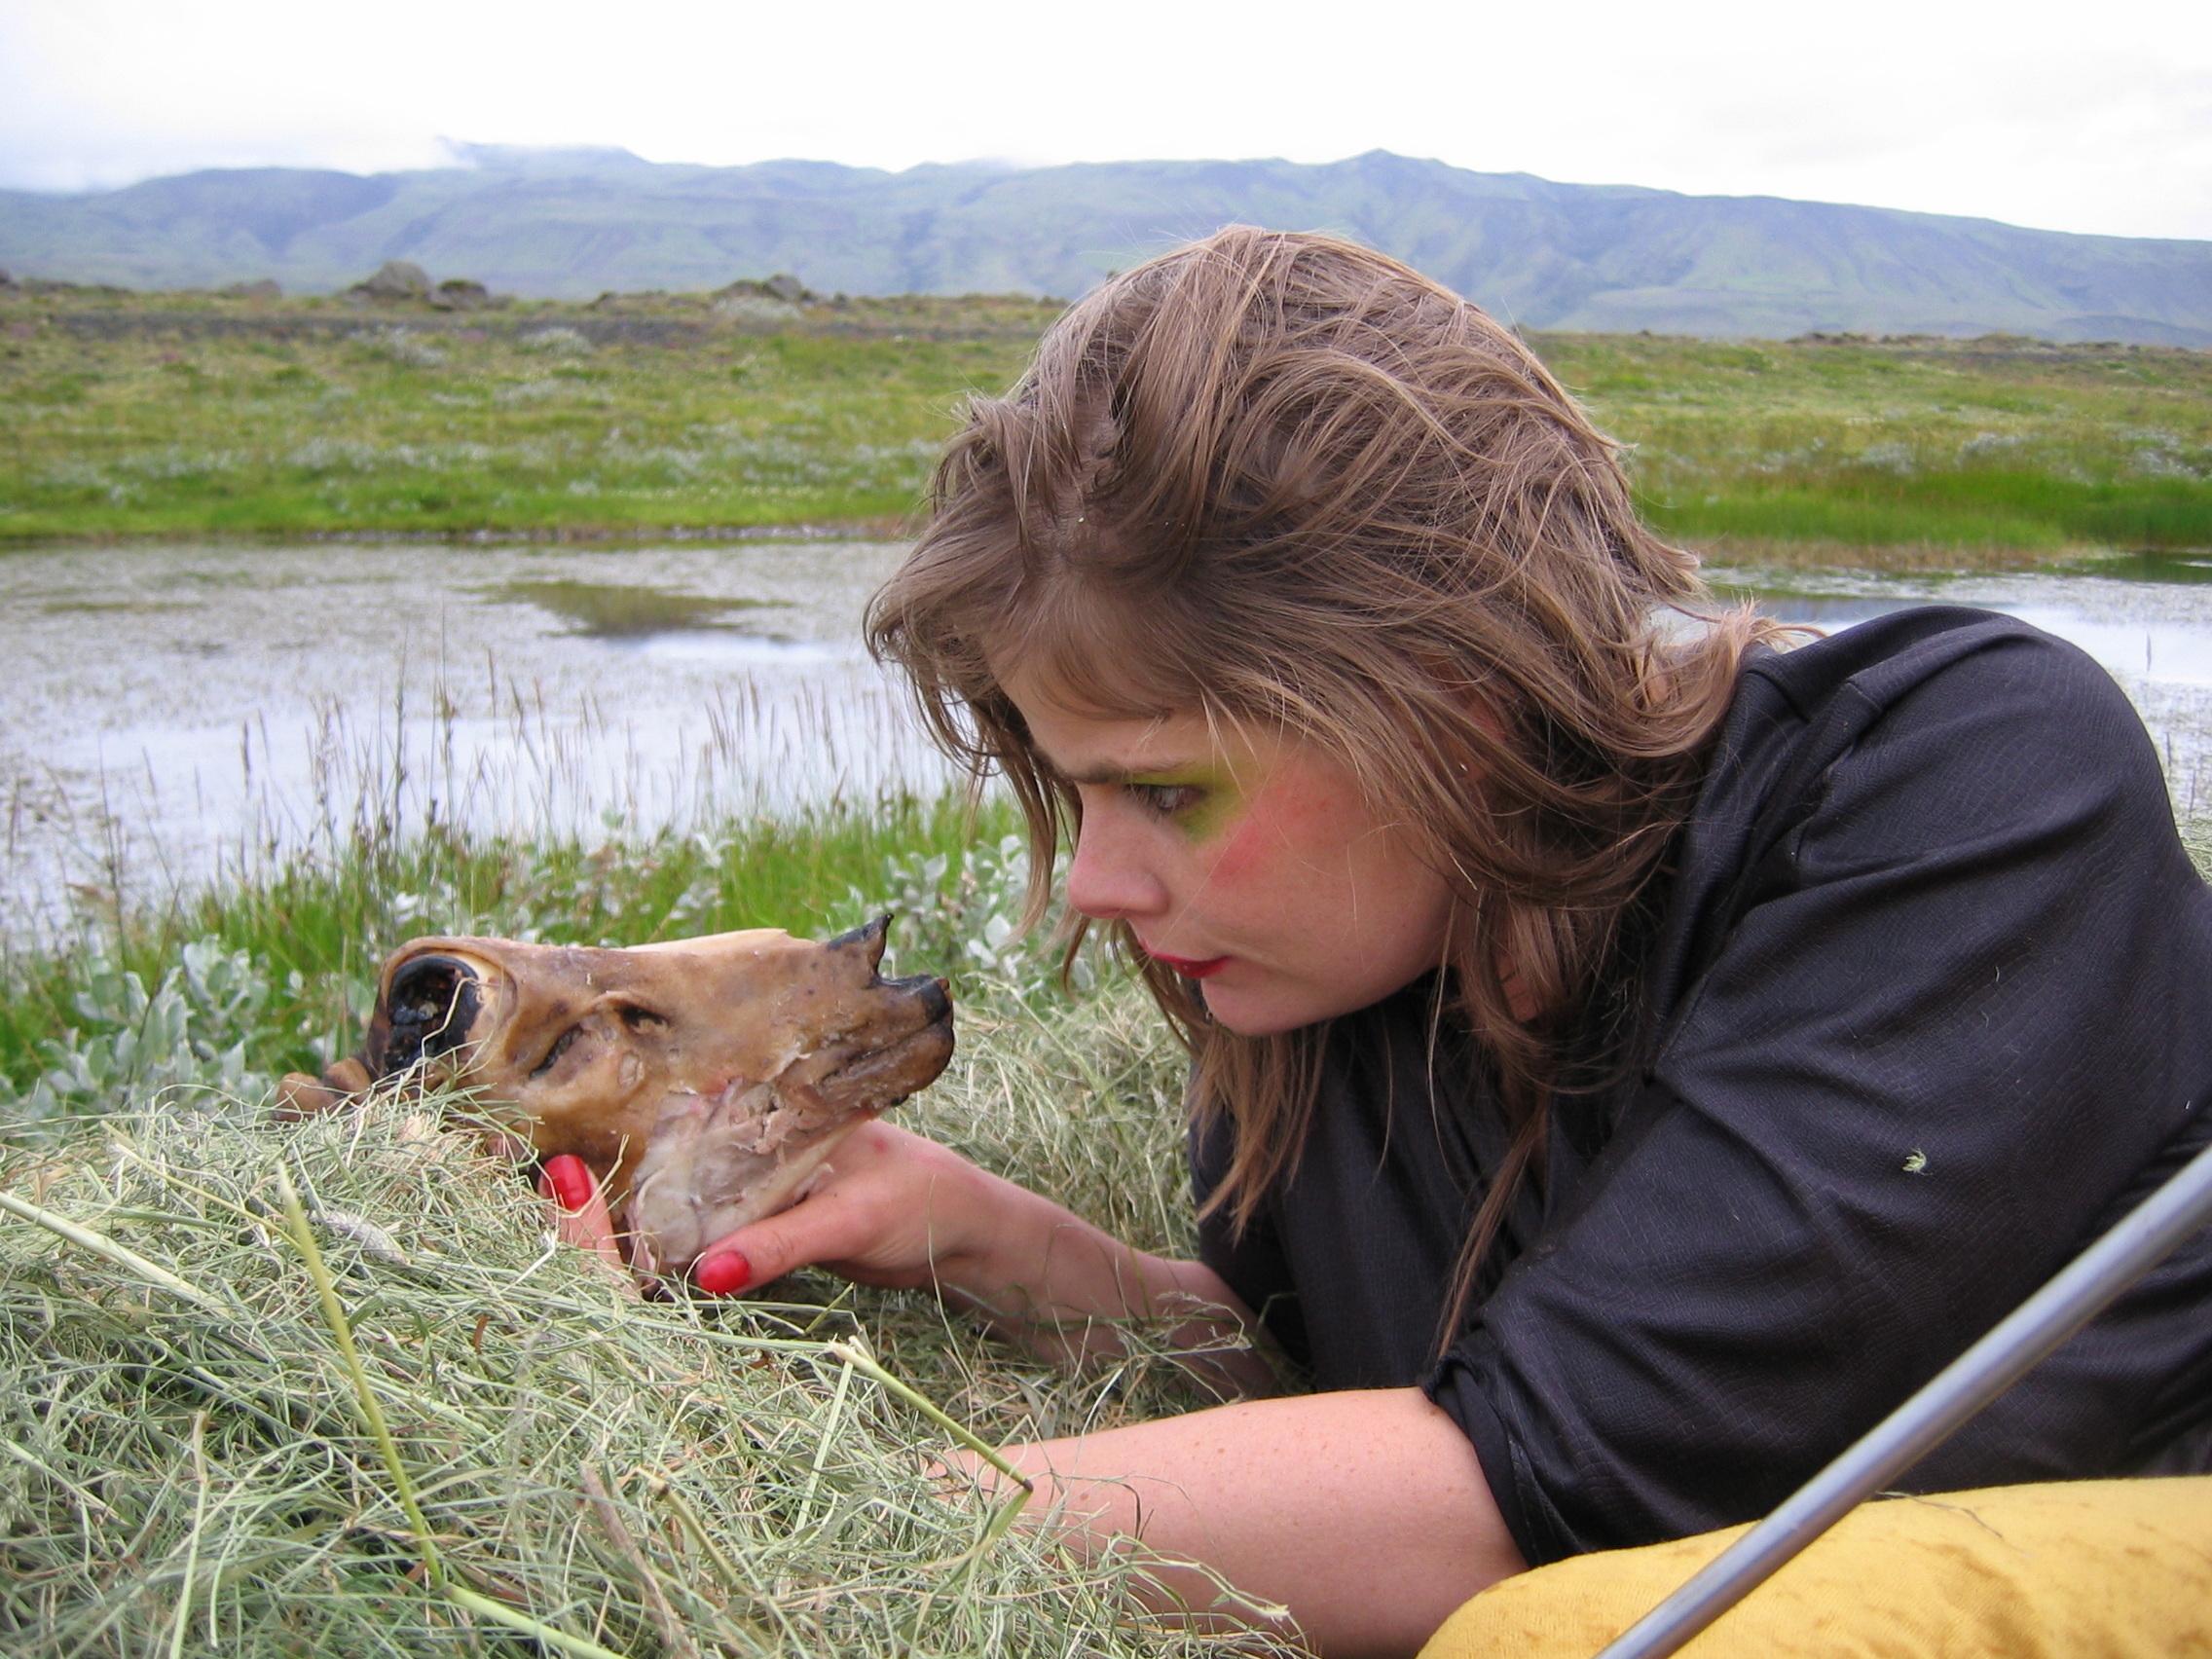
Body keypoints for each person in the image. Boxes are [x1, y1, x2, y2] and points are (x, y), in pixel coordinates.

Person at [542, 228, 2212, 1659]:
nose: (1087, 889)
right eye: (1072, 792)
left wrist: (740, 1538)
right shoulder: (1335, 960)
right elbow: (1337, 1388)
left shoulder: (1958, 782)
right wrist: (986, 1240)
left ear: (1449, 719)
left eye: (1170, 792)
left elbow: (1530, 1493)